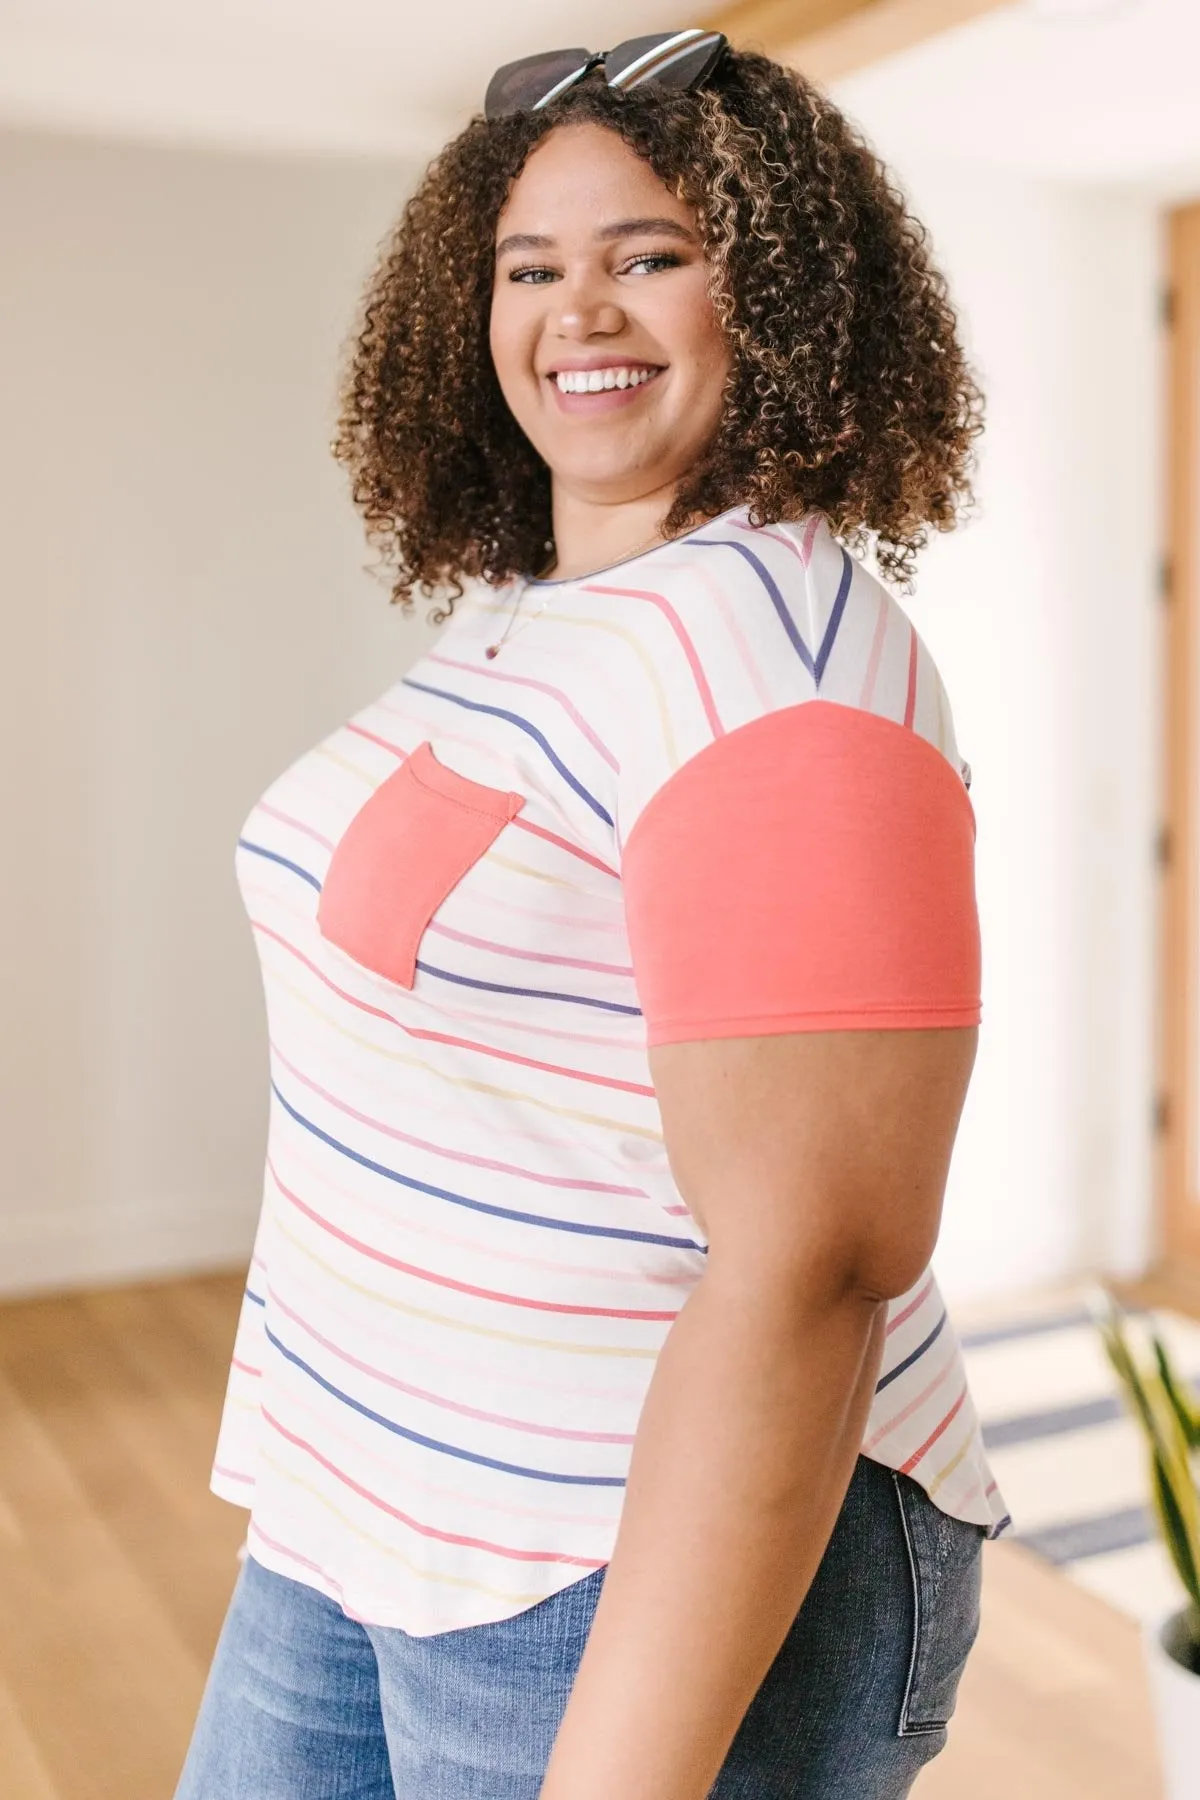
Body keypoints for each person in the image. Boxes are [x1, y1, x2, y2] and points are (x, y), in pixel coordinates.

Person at [176, 28, 1011, 1800]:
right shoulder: (544, 611)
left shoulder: (780, 664)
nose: (582, 312)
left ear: (775, 290)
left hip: (609, 1559)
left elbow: (815, 1265)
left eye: (651, 255)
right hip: (363, 1505)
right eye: (530, 267)